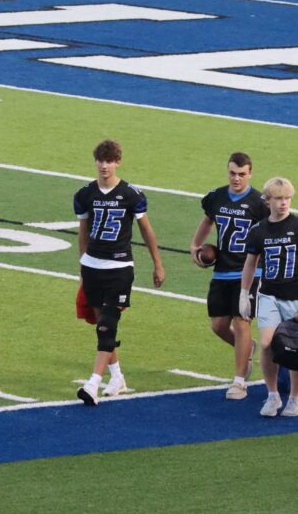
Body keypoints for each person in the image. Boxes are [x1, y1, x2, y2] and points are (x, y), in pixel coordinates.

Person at [73, 139, 165, 405]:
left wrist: (157, 263)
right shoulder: (85, 194)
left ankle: (93, 383)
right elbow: (83, 232)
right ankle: (117, 377)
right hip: (93, 266)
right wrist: (82, 265)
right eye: (100, 160)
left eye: (109, 161)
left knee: (107, 324)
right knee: (101, 326)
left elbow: (146, 230)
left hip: (119, 267)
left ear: (118, 162)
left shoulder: (131, 194)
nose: (104, 165)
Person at [239, 177, 298, 418]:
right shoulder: (258, 230)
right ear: (268, 200)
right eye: (279, 198)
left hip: (297, 297)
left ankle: (294, 398)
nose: (284, 203)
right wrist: (244, 293)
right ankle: (272, 395)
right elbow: (250, 263)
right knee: (267, 344)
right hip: (269, 294)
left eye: (287, 198)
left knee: (297, 348)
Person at [189, 152, 268, 400]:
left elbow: (269, 234)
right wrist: (196, 245)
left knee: (241, 321)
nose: (236, 178)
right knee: (218, 326)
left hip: (249, 272)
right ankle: (247, 348)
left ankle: (239, 382)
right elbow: (207, 221)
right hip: (222, 270)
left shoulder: (259, 203)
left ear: (250, 174)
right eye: (233, 173)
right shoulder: (217, 196)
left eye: (242, 174)